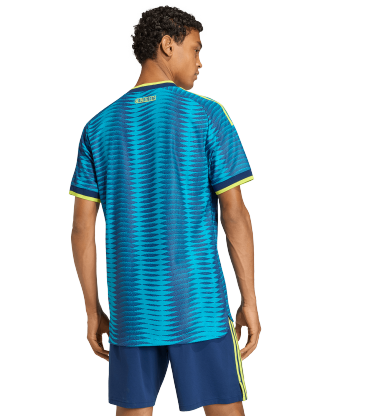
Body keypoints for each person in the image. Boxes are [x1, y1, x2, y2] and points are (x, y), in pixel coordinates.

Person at [70, 5, 261, 416]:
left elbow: (82, 228)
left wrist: (92, 310)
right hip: (199, 308)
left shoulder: (97, 127)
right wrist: (249, 299)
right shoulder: (206, 115)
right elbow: (235, 215)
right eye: (195, 49)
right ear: (168, 45)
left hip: (132, 310)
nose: (199, 62)